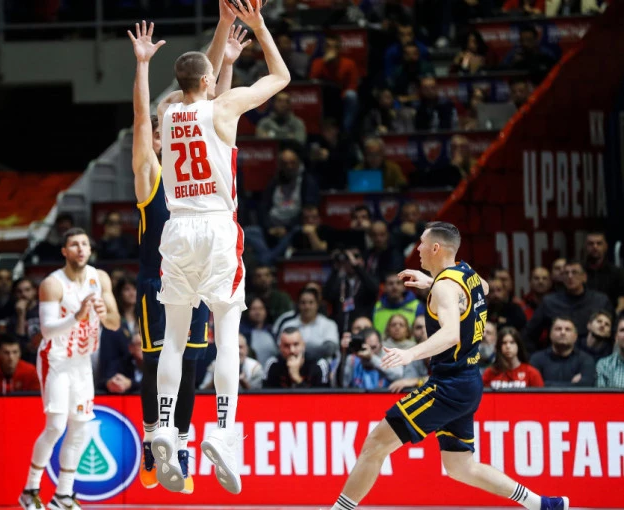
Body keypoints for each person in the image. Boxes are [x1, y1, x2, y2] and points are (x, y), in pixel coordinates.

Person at [151, 0, 291, 496]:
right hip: (216, 227)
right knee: (226, 336)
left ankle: (164, 425)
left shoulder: (167, 112)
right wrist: (257, 25)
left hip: (177, 228)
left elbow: (199, 84)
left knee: (173, 339)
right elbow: (281, 76)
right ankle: (224, 431)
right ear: (209, 81)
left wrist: (222, 35)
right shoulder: (224, 107)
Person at [329, 222, 569, 510]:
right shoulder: (465, 273)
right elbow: (484, 288)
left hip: (448, 385)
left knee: (375, 445)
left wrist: (410, 354)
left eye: (421, 243)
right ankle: (542, 504)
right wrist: (433, 283)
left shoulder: (445, 287)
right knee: (460, 466)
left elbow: (450, 334)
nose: (417, 248)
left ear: (435, 248)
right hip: (469, 382)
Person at [128, 14, 245, 494]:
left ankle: (179, 445)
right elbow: (148, 117)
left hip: (191, 259)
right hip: (161, 275)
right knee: (158, 359)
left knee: (193, 360)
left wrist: (223, 49)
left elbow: (208, 99)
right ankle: (153, 440)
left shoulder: (190, 128)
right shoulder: (150, 169)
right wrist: (142, 68)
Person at [18, 227, 120, 510]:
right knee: (55, 427)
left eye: (85, 244)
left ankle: (63, 495)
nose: (80, 249)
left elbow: (114, 323)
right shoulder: (52, 284)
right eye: (74, 244)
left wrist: (104, 313)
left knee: (79, 429)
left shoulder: (100, 278)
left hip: (82, 361)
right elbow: (47, 331)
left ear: (90, 249)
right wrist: (78, 315)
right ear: (64, 251)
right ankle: (30, 490)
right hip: (56, 359)